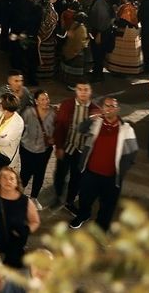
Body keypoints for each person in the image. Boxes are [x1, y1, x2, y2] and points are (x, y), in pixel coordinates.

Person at [69, 96, 139, 231]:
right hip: (91, 172)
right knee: (85, 198)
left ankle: (101, 227)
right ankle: (83, 215)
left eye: (112, 106)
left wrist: (123, 169)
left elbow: (133, 151)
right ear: (102, 108)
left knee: (108, 205)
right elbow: (80, 129)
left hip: (111, 177)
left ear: (118, 109)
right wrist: (91, 119)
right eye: (107, 106)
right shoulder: (96, 124)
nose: (109, 109)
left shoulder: (126, 129)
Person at [52, 80, 98, 211]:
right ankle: (58, 196)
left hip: (82, 151)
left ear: (90, 92)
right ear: (76, 91)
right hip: (67, 147)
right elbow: (59, 127)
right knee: (60, 174)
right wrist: (59, 147)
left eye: (86, 89)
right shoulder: (67, 105)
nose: (83, 92)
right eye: (80, 89)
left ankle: (70, 201)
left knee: (77, 177)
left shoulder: (96, 110)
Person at [0, 166, 39, 268]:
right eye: (4, 177)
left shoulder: (25, 201)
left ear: (16, 182)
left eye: (12, 178)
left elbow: (35, 221)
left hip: (16, 245)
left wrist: (26, 231)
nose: (8, 181)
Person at [18, 90, 55, 210]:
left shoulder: (53, 113)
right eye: (42, 99)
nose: (46, 102)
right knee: (25, 174)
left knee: (39, 175)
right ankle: (18, 196)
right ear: (36, 101)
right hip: (27, 148)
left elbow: (57, 128)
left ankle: (34, 198)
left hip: (44, 150)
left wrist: (53, 139)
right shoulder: (29, 112)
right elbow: (20, 126)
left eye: (47, 99)